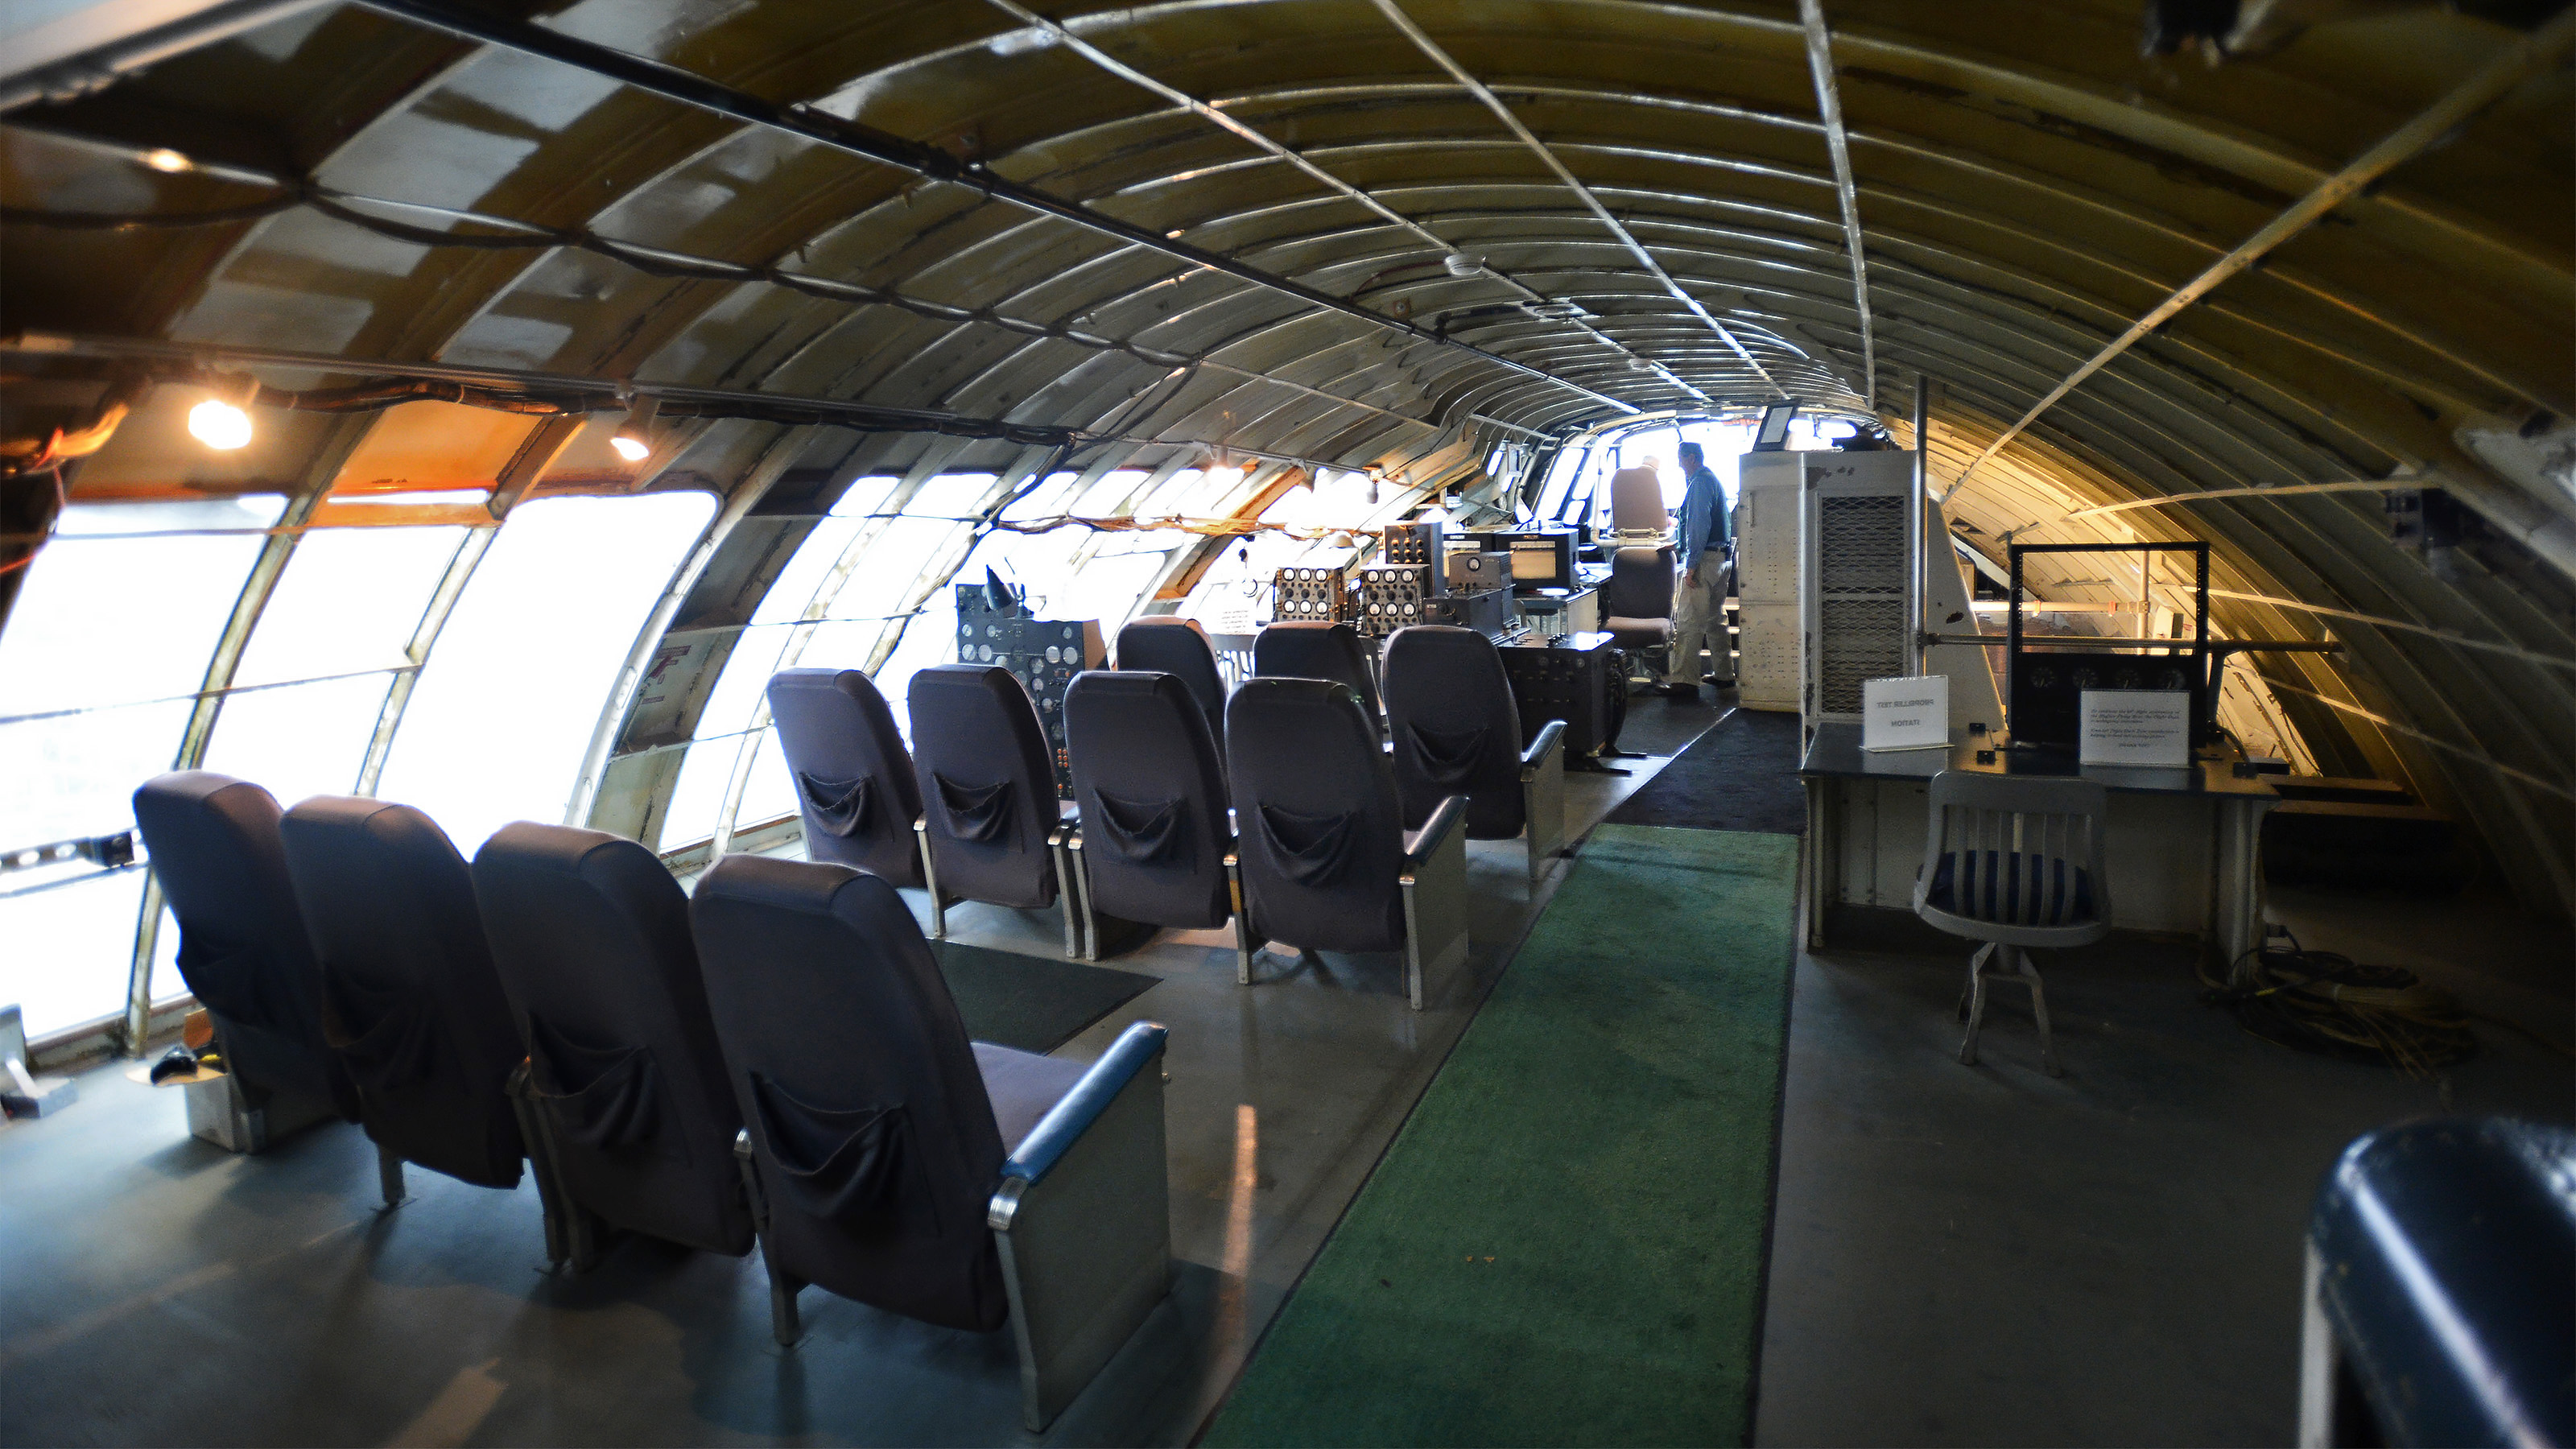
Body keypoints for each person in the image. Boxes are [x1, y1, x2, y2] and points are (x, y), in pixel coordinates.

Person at [1662, 441, 1733, 696]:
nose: (1679, 464)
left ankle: (1684, 682)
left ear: (1691, 458)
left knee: (1690, 621)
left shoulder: (1700, 483)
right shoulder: (1711, 480)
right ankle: (1725, 675)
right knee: (1715, 620)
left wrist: (1690, 566)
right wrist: (1679, 543)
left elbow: (1698, 525)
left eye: (1680, 459)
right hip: (1721, 558)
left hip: (1705, 560)